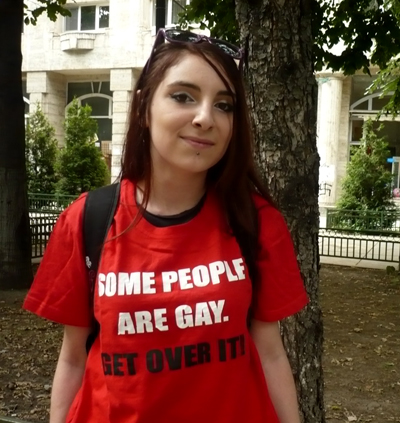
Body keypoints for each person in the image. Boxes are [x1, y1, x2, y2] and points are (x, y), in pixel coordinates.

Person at [24, 29, 308, 423]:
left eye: (224, 105)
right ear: (144, 107)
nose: (205, 118)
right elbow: (73, 359)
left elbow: (270, 351)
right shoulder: (87, 219)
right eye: (183, 96)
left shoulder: (256, 221)